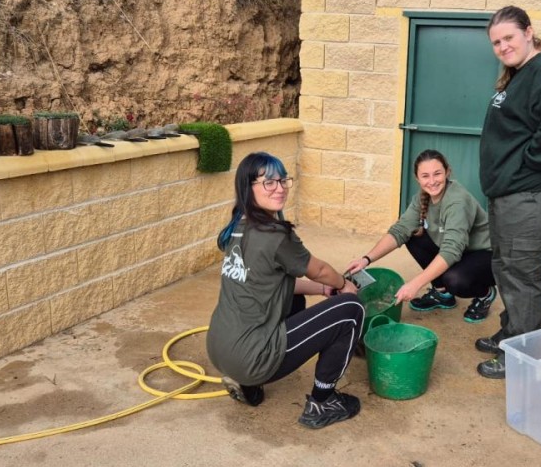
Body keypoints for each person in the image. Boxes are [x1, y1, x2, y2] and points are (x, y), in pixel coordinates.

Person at [206, 151, 365, 429]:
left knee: (296, 299)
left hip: (220, 350)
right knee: (351, 310)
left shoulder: (236, 228)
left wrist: (323, 290)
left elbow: (273, 282)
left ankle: (247, 383)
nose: (279, 188)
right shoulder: (276, 234)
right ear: (248, 187)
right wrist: (342, 285)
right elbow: (321, 270)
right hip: (252, 358)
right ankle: (323, 402)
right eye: (268, 182)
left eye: (282, 180)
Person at [475, 5, 541, 379]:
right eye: (496, 42)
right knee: (506, 266)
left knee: (523, 273)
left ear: (528, 33)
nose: (503, 46)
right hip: (512, 194)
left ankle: (523, 352)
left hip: (533, 196)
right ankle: (512, 333)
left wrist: (526, 164)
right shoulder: (521, 73)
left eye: (509, 38)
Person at [346, 149, 496, 323]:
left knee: (455, 280)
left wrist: (415, 284)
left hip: (485, 255)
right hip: (460, 251)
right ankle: (442, 294)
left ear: (447, 172)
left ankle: (485, 294)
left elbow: (451, 250)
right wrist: (366, 259)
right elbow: (400, 230)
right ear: (417, 178)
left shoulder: (457, 201)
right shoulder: (422, 197)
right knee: (413, 235)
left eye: (437, 174)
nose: (432, 181)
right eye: (425, 176)